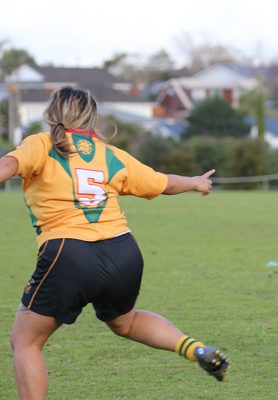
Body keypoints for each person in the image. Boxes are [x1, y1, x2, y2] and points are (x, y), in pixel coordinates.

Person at [0, 87, 231, 400]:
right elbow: (162, 182)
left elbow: (8, 167)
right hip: (123, 251)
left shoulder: (41, 144)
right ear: (92, 117)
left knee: (25, 341)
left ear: (53, 113)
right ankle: (196, 349)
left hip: (70, 252)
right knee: (126, 321)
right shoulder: (111, 154)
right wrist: (195, 182)